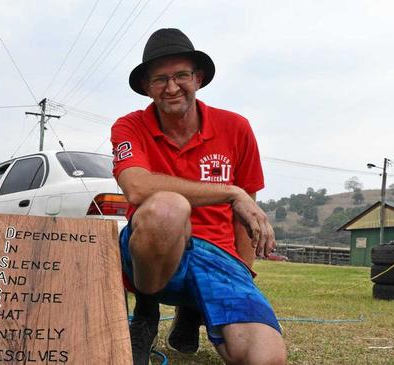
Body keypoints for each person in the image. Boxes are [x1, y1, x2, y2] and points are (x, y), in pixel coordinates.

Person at [110, 28, 286, 365]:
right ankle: (146, 314)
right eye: (160, 79)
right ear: (147, 87)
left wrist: (243, 275)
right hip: (153, 252)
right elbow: (136, 187)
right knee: (168, 207)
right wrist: (230, 192)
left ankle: (193, 309)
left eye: (181, 75)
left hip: (218, 255)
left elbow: (245, 213)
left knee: (266, 358)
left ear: (199, 78)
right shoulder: (129, 126)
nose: (172, 87)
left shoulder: (236, 127)